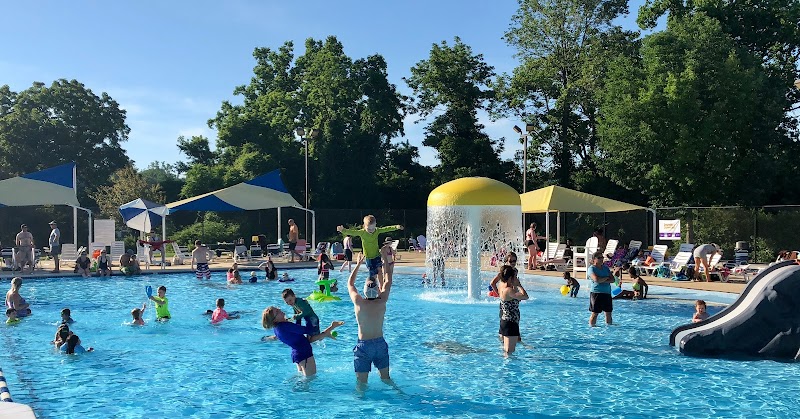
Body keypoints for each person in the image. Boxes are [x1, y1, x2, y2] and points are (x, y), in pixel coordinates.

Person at [348, 253, 395, 385]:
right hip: (380, 344)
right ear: (378, 290)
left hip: (364, 346)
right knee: (386, 379)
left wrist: (358, 264)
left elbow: (350, 283)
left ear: (364, 291)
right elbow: (388, 279)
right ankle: (400, 395)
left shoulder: (359, 303)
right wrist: (385, 259)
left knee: (361, 384)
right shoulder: (382, 301)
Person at [261, 306, 343, 376]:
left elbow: (297, 330)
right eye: (277, 311)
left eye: (278, 308)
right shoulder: (286, 326)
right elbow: (307, 330)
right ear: (275, 320)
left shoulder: (277, 328)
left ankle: (328, 331)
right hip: (304, 354)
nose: (279, 309)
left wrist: (299, 316)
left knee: (303, 378)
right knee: (309, 380)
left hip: (298, 354)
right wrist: (308, 315)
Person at [337, 215, 403, 280]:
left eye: (372, 228)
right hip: (368, 257)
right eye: (369, 228)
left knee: (380, 272)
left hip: (377, 255)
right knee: (373, 275)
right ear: (364, 226)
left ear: (375, 225)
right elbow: (352, 232)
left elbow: (386, 229)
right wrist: (343, 230)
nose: (371, 230)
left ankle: (381, 287)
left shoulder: (377, 230)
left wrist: (396, 227)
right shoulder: (362, 232)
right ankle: (372, 286)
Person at [497, 264, 529, 355]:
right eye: (515, 277)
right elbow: (526, 296)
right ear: (511, 278)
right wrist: (519, 285)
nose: (516, 278)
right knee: (509, 353)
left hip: (505, 321)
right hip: (510, 323)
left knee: (506, 351)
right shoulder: (508, 290)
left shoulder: (501, 286)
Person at [587, 251, 615, 326]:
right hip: (596, 293)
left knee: (608, 313)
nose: (601, 259)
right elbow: (596, 279)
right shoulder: (591, 269)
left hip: (607, 293)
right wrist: (606, 278)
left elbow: (613, 279)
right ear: (594, 259)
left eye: (602, 257)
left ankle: (609, 327)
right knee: (595, 313)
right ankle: (592, 327)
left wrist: (602, 279)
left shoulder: (605, 268)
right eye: (599, 258)